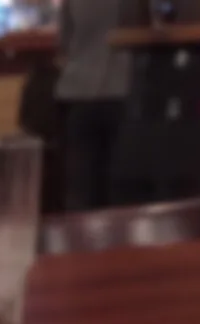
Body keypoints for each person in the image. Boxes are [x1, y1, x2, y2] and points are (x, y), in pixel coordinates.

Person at [56, 0, 133, 211]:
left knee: (80, 189)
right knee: (121, 191)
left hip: (79, 91)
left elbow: (63, 41)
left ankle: (80, 241)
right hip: (124, 89)